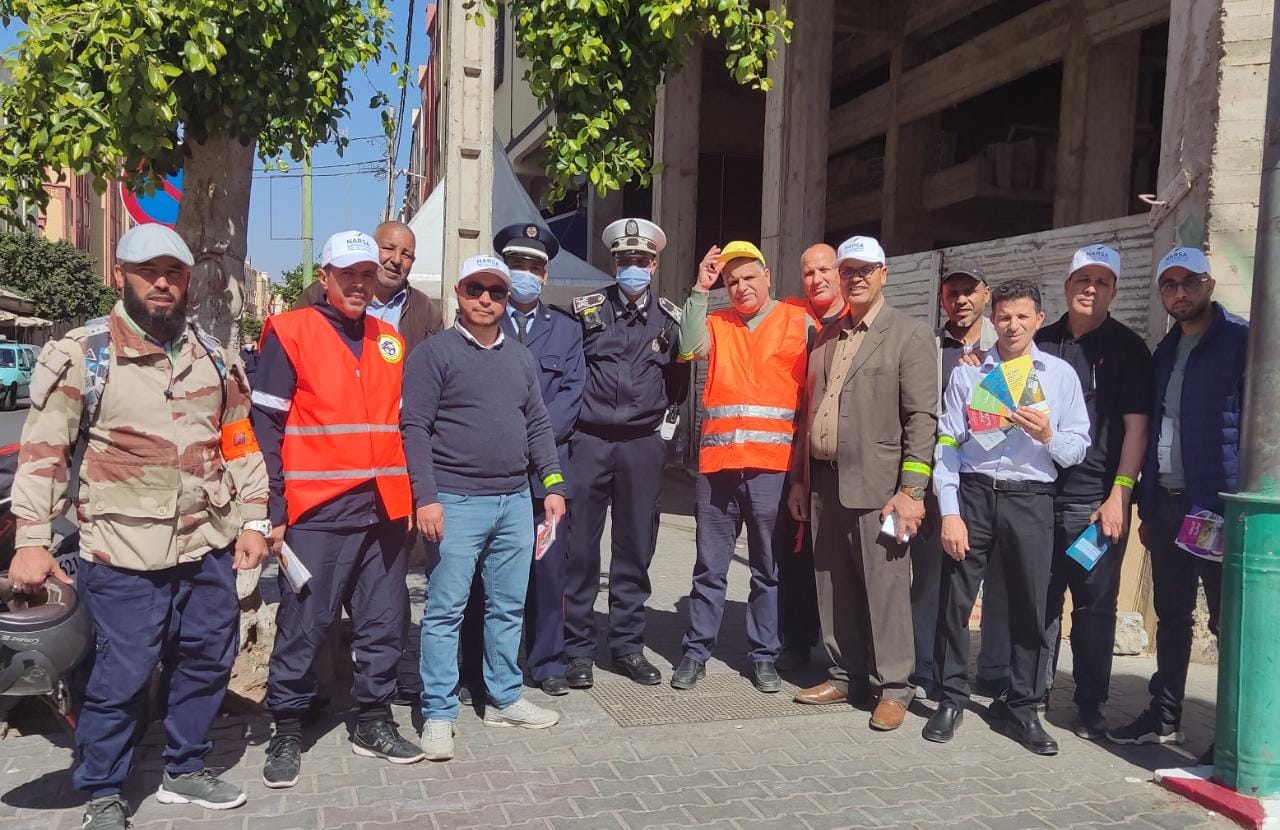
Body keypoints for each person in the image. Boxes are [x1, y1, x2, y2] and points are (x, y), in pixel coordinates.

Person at [9, 224, 271, 829]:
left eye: (172, 273)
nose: (161, 283)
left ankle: (184, 766)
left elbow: (238, 441)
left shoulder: (214, 356)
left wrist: (255, 518)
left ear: (187, 282)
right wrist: (31, 540)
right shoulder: (84, 354)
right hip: (121, 551)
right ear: (119, 275)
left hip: (206, 544)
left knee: (206, 658)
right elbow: (44, 451)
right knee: (118, 675)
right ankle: (104, 788)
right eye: (147, 271)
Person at [254, 231, 423, 789]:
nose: (358, 283)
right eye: (347, 273)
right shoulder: (290, 331)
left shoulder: (388, 338)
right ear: (323, 276)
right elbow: (267, 424)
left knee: (383, 621)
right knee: (306, 622)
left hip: (384, 508)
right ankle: (287, 725)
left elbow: (400, 423)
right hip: (318, 508)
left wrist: (413, 495)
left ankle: (373, 719)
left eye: (367, 274)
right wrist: (273, 504)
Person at [405, 254, 569, 762]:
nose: (485, 299)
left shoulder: (519, 357)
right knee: (445, 612)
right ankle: (438, 712)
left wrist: (553, 484)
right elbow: (414, 428)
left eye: (495, 292)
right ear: (458, 292)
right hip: (455, 501)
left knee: (508, 607)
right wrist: (426, 497)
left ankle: (504, 698)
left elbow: (537, 423)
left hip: (514, 501)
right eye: (475, 289)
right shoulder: (434, 354)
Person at [926, 279, 1091, 755]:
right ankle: (951, 698)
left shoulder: (1059, 376)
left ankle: (1024, 706)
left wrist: (1048, 436)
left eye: (1022, 317)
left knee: (1031, 605)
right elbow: (948, 443)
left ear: (1039, 319)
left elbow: (1078, 448)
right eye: (1003, 317)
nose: (1012, 326)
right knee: (955, 601)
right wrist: (950, 512)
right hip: (975, 493)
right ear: (991, 320)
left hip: (1032, 497)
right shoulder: (969, 374)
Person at [787, 235, 938, 732]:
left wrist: (912, 491)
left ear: (883, 274)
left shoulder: (909, 335)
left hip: (881, 489)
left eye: (864, 270)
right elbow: (809, 410)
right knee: (832, 585)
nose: (855, 278)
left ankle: (894, 687)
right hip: (824, 483)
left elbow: (922, 419)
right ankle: (844, 674)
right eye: (847, 270)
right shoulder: (825, 336)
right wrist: (800, 481)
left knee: (886, 589)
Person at [1108, 247, 1247, 759]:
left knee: (1227, 622)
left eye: (1189, 282)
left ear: (1209, 284)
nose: (1179, 293)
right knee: (1170, 616)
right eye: (1169, 284)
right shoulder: (1164, 350)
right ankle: (1164, 717)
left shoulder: (1242, 341)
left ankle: (1232, 732)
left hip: (1216, 506)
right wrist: (1146, 507)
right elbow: (1154, 430)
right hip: (1168, 503)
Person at [671, 241, 811, 693]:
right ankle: (696, 652)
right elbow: (688, 347)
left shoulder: (797, 320)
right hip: (719, 468)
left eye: (749, 277)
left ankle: (764, 655)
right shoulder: (716, 323)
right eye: (732, 281)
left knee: (767, 570)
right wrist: (700, 287)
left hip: (771, 469)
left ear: (768, 276)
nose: (741, 286)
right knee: (709, 568)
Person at [458, 224, 585, 700]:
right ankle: (477, 668)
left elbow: (572, 394)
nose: (526, 274)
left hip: (548, 475)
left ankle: (547, 661)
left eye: (534, 267)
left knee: (548, 572)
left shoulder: (567, 330)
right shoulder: (483, 325)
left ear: (545, 275)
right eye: (517, 266)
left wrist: (534, 442)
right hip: (491, 473)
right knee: (483, 577)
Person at [563, 218, 690, 689]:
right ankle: (577, 649)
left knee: (635, 547)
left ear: (653, 265)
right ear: (613, 264)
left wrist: (660, 437)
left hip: (641, 444)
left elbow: (678, 385)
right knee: (579, 548)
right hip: (589, 441)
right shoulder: (585, 312)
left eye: (640, 259)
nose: (632, 267)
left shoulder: (671, 320)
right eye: (623, 260)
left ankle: (627, 646)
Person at [1034, 244, 1152, 739]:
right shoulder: (1039, 341)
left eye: (1102, 282)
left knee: (1094, 610)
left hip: (1094, 503)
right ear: (1067, 286)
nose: (1090, 289)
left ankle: (1089, 705)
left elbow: (1137, 429)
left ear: (1114, 291)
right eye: (1083, 279)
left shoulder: (1129, 348)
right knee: (1039, 602)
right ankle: (1031, 696)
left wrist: (1119, 495)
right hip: (1037, 497)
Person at [910, 262, 1006, 700]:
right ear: (942, 299)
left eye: (970, 291)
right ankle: (925, 670)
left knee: (992, 585)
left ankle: (993, 672)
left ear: (986, 293)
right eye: (953, 293)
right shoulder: (928, 346)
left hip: (989, 485)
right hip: (937, 480)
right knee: (929, 581)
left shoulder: (1007, 347)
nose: (961, 300)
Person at [775, 243, 844, 670]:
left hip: (841, 456)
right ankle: (796, 641)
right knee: (794, 554)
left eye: (824, 270)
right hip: (794, 454)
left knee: (840, 558)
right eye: (808, 273)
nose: (816, 279)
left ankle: (845, 649)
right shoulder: (789, 317)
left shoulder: (856, 318)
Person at [295, 220, 443, 352]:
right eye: (388, 248)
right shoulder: (316, 295)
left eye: (406, 255)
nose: (397, 260)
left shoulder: (426, 311)